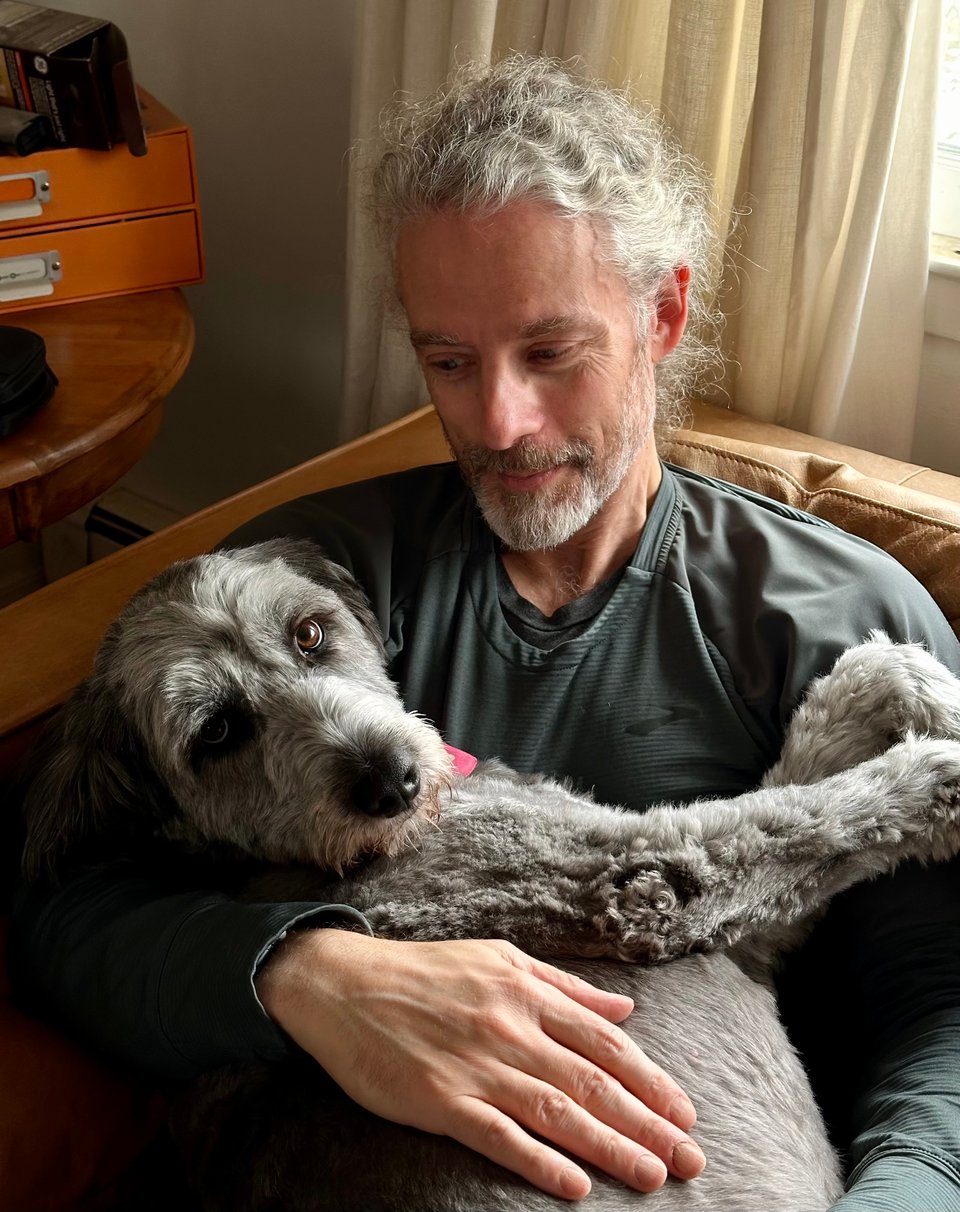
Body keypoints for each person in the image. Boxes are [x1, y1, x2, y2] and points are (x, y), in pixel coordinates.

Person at [11, 55, 960, 1208]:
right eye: (448, 363)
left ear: (661, 315)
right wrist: (302, 973)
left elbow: (938, 1012)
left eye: (549, 352)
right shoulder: (313, 591)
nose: (499, 422)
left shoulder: (837, 615)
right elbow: (69, 907)